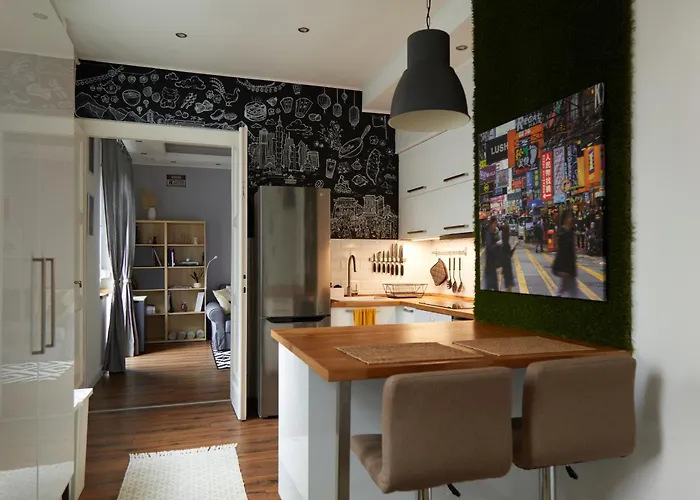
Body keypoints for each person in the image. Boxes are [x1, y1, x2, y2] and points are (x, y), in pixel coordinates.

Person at [551, 209, 578, 298]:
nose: (571, 219)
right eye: (569, 217)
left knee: (564, 290)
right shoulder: (563, 232)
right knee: (566, 291)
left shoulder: (569, 231)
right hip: (566, 268)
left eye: (572, 216)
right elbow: (563, 252)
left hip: (568, 268)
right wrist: (564, 269)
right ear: (565, 219)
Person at [483, 216, 501, 291]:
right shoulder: (489, 234)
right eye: (495, 223)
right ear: (492, 223)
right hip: (489, 266)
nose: (496, 224)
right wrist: (497, 244)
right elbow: (490, 248)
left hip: (492, 265)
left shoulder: (492, 233)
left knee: (493, 287)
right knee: (491, 287)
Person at [501, 223, 519, 292]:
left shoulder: (503, 241)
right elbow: (509, 254)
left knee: (509, 286)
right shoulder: (505, 243)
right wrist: (515, 245)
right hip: (507, 266)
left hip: (506, 266)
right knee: (509, 286)